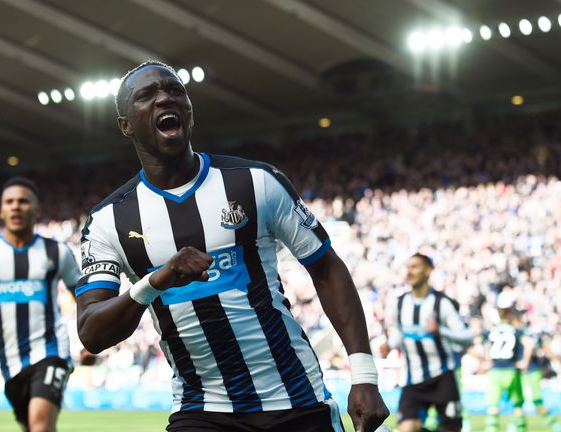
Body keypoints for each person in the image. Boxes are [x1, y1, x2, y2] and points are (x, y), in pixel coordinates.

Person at [74, 61, 389, 432]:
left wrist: (364, 374)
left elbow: (326, 267)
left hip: (296, 399)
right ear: (125, 124)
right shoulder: (109, 221)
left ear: (189, 110)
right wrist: (155, 281)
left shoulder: (255, 182)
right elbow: (92, 333)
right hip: (201, 410)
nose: (164, 98)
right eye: (146, 95)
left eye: (175, 90)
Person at [0, 177, 81, 432]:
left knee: (39, 427)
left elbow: (86, 300)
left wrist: (91, 343)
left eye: (23, 201)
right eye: (9, 202)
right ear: (1, 210)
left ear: (37, 209)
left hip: (51, 352)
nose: (16, 207)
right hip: (10, 364)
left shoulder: (58, 253)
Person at [387, 254, 473, 432]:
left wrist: (440, 330)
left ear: (428, 270)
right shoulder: (399, 304)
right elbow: (397, 334)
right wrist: (389, 345)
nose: (409, 272)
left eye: (415, 267)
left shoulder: (443, 303)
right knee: (406, 429)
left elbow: (467, 338)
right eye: (408, 267)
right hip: (414, 379)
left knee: (451, 429)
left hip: (443, 376)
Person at [483, 299, 526, 432]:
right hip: (512, 369)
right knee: (517, 406)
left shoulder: (492, 330)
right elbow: (524, 346)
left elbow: (486, 346)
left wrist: (487, 360)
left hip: (495, 370)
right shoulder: (516, 331)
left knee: (492, 407)